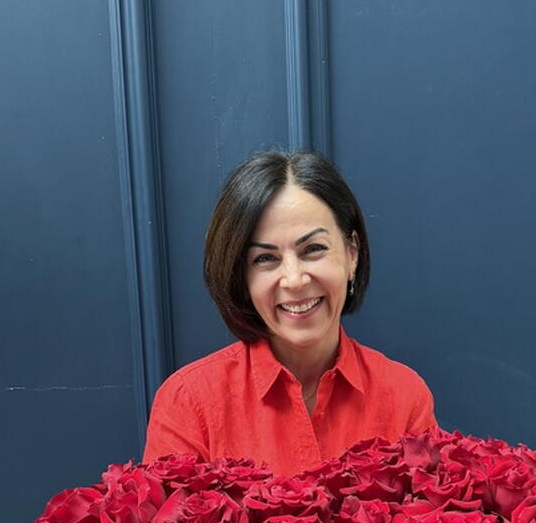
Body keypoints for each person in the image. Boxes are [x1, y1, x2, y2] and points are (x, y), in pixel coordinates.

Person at [141, 150, 437, 475]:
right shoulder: (188, 402)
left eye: (313, 249)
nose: (294, 280)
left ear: (352, 253)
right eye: (265, 259)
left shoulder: (405, 397)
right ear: (242, 277)